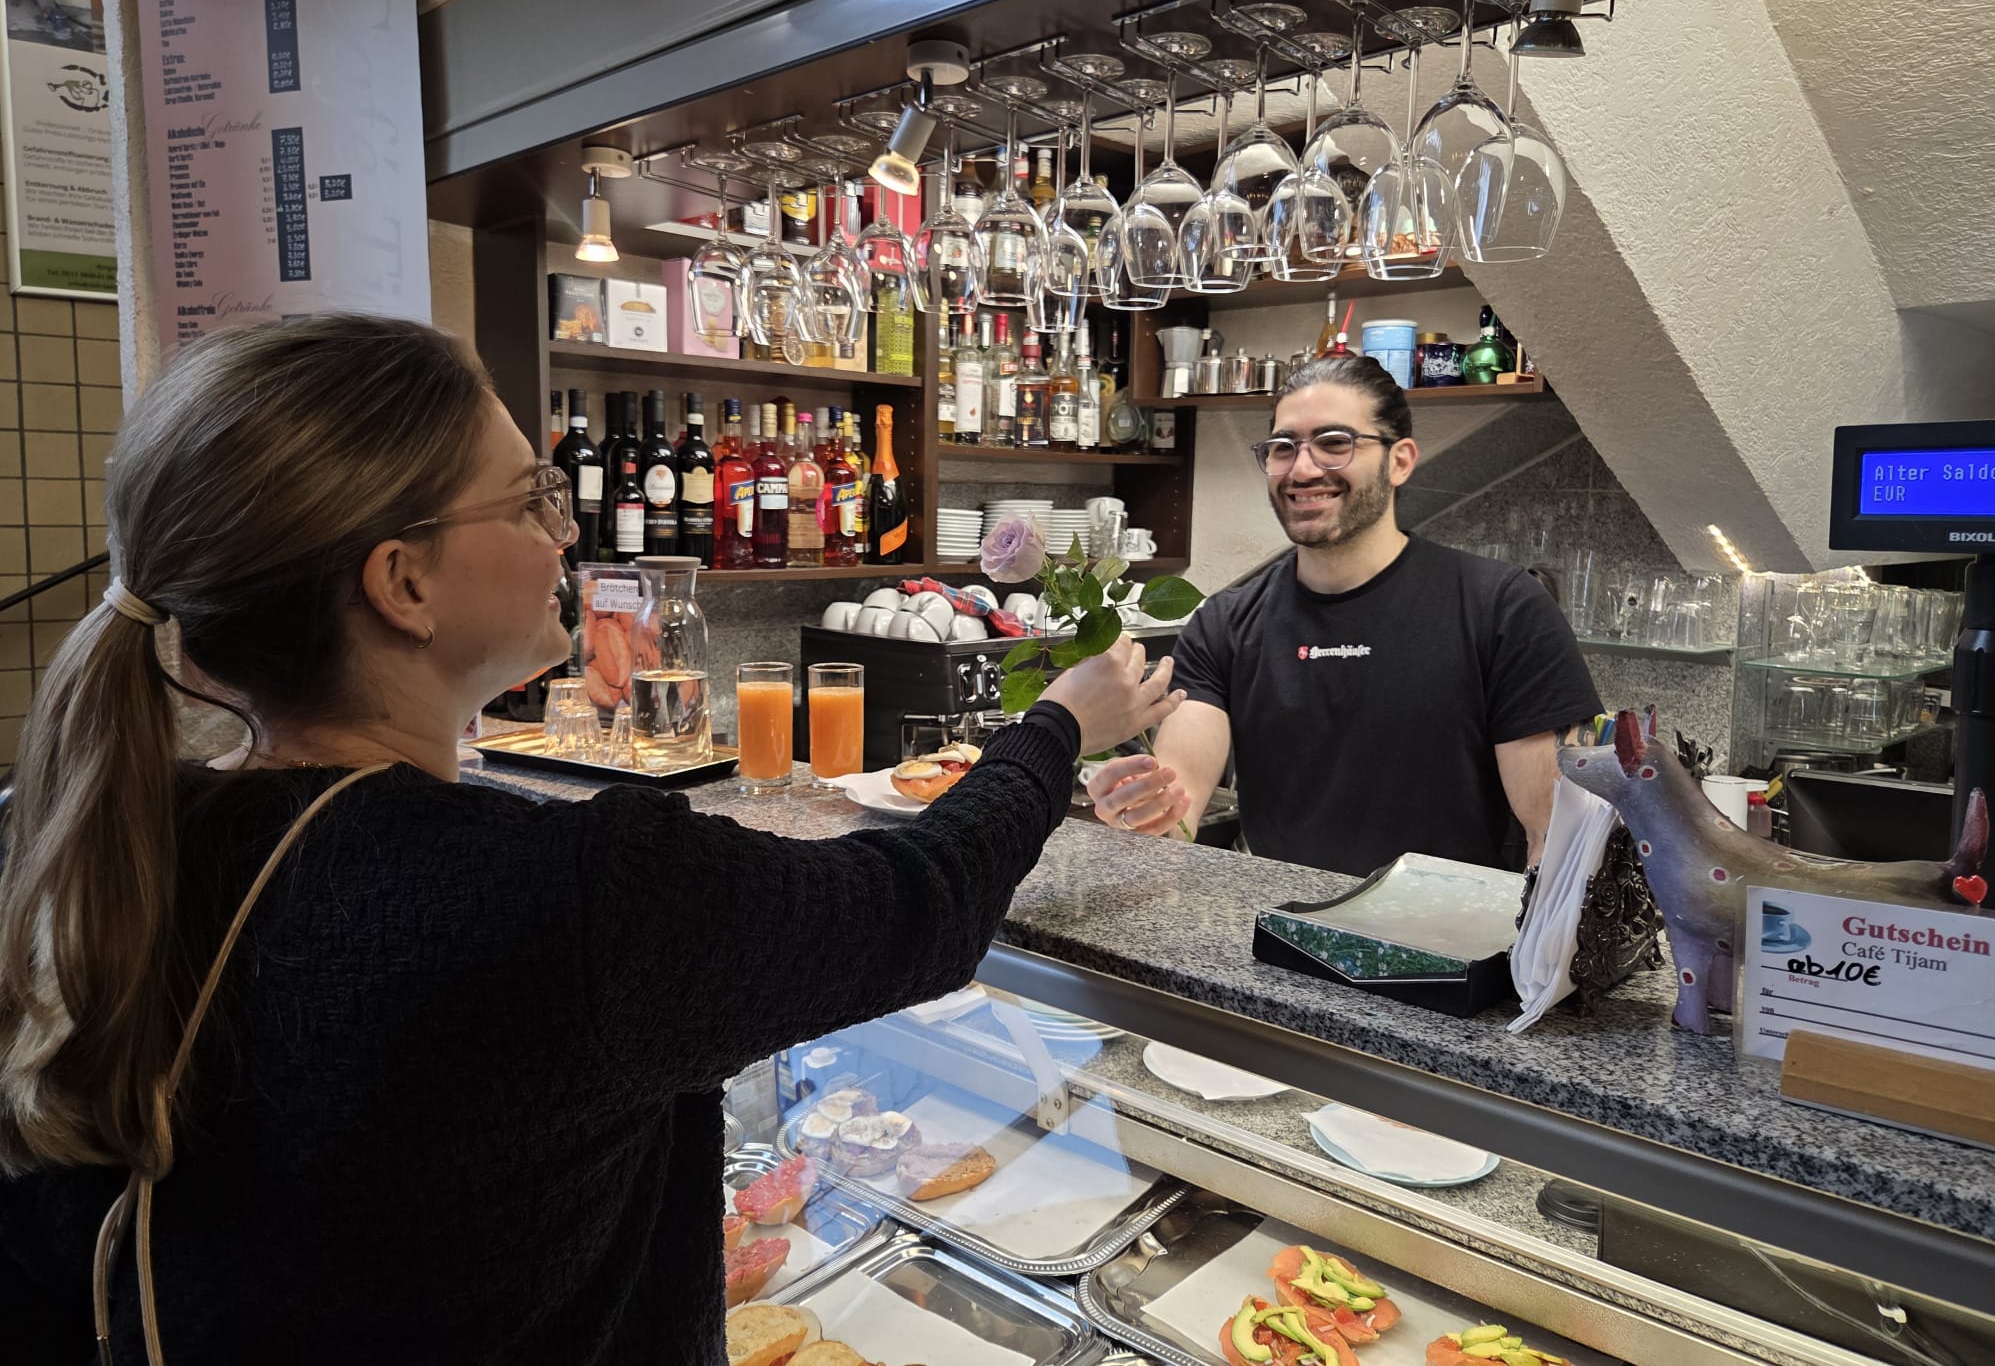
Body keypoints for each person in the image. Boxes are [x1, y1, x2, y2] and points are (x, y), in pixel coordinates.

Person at [0, 314, 1183, 1365]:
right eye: (527, 499)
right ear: (402, 583)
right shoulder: (566, 893)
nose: (564, 532)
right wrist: (1057, 726)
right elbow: (925, 901)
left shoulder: (110, 835)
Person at [1087, 354, 1599, 875]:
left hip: (1448, 947)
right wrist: (1138, 814)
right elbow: (1178, 819)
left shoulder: (1503, 608)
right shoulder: (1224, 624)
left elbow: (1557, 841)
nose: (1303, 469)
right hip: (1278, 939)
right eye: (1283, 448)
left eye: (1335, 443)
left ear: (1400, 460)